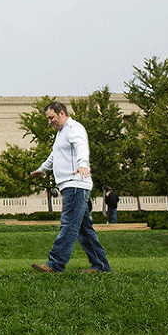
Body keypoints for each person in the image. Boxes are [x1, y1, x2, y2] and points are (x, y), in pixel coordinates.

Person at [30, 102, 111, 273]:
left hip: (76, 184)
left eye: (51, 118)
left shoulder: (74, 128)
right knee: (84, 230)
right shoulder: (61, 134)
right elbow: (54, 156)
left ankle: (54, 264)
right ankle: (101, 266)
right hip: (70, 185)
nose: (50, 122)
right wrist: (41, 169)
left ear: (61, 113)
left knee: (68, 225)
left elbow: (81, 146)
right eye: (48, 119)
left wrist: (83, 165)